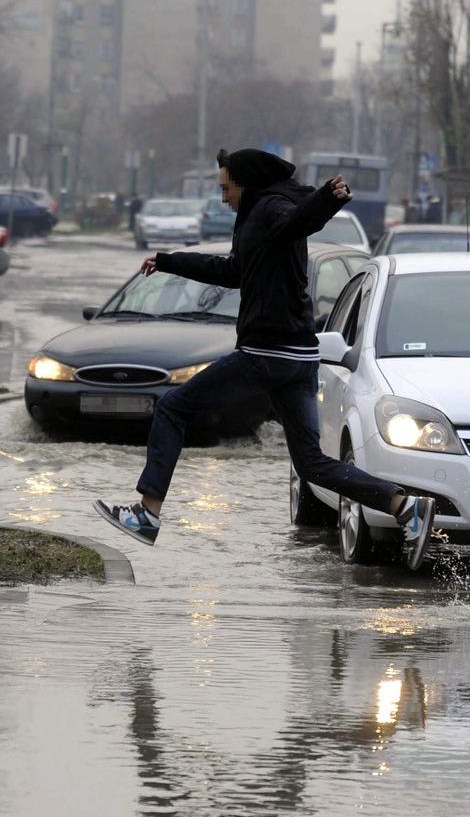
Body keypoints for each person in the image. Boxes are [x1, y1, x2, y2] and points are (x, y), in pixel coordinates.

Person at [93, 148, 438, 567]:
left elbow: (298, 222)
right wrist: (169, 261)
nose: (223, 198)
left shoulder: (271, 209)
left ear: (247, 183)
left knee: (171, 406)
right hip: (298, 357)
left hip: (267, 352)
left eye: (226, 188)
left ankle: (147, 513)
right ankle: (405, 506)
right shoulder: (256, 216)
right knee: (311, 464)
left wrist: (328, 200)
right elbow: (234, 270)